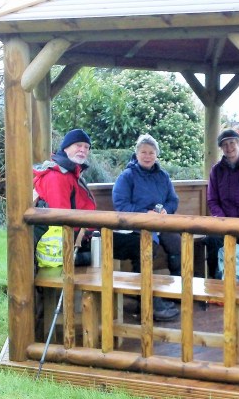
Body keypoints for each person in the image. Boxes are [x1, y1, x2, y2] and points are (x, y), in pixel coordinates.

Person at [112, 134, 181, 321]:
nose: (147, 155)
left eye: (151, 152)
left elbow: (173, 200)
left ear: (156, 155)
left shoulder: (163, 176)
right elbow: (121, 205)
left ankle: (176, 292)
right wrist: (145, 213)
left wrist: (166, 209)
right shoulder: (127, 176)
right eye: (143, 152)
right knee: (147, 248)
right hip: (136, 226)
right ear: (137, 154)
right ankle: (148, 301)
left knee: (179, 244)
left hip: (161, 222)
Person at [33, 128, 96, 266]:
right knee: (128, 247)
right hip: (69, 244)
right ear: (66, 147)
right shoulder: (57, 176)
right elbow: (60, 218)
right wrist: (85, 235)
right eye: (78, 145)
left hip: (82, 235)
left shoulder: (72, 173)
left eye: (86, 147)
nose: (83, 150)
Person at [206, 129, 239, 280]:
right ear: (221, 148)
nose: (229, 147)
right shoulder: (216, 170)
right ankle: (214, 279)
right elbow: (212, 200)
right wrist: (224, 223)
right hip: (221, 221)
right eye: (225, 144)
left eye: (232, 143)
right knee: (211, 240)